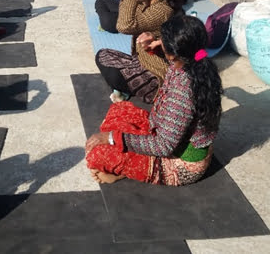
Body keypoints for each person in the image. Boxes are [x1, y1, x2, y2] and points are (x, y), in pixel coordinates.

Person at [85, 15, 223, 186]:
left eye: (162, 40)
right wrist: (157, 48)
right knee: (119, 109)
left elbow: (163, 147)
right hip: (164, 130)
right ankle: (125, 160)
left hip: (179, 163)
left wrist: (113, 138)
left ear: (173, 53)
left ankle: (123, 171)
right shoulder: (196, 61)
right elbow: (166, 63)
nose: (159, 40)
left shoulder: (183, 92)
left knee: (97, 154)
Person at [95, 0, 184, 103]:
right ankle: (127, 86)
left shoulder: (161, 10)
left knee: (114, 75)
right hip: (139, 61)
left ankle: (144, 91)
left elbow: (124, 26)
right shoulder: (147, 1)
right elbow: (126, 15)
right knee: (102, 54)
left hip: (155, 73)